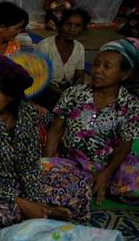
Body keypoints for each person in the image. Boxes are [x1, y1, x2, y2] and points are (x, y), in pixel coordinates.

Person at [0, 56, 79, 235]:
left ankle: (42, 211)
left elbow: (30, 166)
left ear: (10, 95)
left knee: (75, 184)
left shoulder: (27, 115)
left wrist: (35, 202)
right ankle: (43, 213)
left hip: (14, 182)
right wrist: (22, 203)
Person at [45, 39, 139, 204]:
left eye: (107, 67)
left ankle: (91, 185)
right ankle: (86, 186)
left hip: (109, 163)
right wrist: (47, 164)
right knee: (43, 175)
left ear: (124, 74)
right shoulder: (73, 94)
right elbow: (55, 132)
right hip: (73, 161)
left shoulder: (130, 105)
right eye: (96, 65)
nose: (97, 71)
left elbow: (124, 146)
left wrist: (107, 173)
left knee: (134, 186)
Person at [34, 8, 90, 109]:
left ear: (82, 29)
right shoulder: (45, 46)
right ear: (60, 25)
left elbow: (79, 75)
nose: (72, 29)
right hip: (45, 91)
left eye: (77, 26)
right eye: (68, 24)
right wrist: (63, 94)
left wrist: (73, 91)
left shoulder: (79, 48)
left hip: (67, 91)